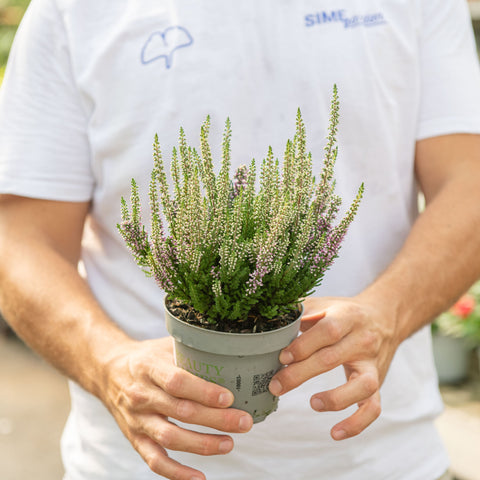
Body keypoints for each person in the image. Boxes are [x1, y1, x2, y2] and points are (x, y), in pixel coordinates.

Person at [1, 0, 480, 479]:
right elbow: (19, 235)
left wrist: (389, 312)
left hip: (381, 460)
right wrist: (107, 363)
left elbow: (469, 184)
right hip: (138, 464)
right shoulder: (73, 10)